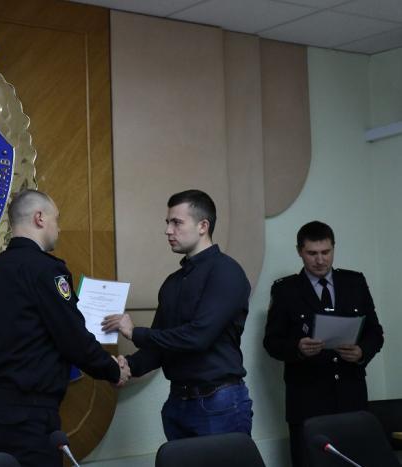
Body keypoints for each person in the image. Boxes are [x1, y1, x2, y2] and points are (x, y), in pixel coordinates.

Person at [0, 189, 129, 467]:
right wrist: (113, 370)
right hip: (29, 414)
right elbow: (73, 338)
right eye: (57, 219)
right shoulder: (45, 270)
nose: (59, 228)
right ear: (39, 218)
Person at [102, 189, 253, 440]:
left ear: (203, 226)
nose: (168, 231)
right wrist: (127, 367)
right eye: (167, 222)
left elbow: (198, 337)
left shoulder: (226, 272)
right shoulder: (172, 282)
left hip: (218, 403)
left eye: (177, 222)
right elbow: (160, 347)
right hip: (177, 404)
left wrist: (135, 332)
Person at [263, 220, 384, 467]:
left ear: (333, 248)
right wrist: (298, 349)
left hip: (351, 397)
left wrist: (362, 352)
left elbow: (375, 332)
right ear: (300, 251)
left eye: (326, 252)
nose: (320, 260)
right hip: (307, 400)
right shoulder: (286, 290)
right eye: (312, 253)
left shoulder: (354, 282)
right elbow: (271, 342)